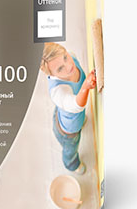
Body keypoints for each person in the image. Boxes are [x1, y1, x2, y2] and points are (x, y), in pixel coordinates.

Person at [40, 42, 96, 175]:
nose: (69, 65)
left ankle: (79, 121)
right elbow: (76, 106)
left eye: (65, 57)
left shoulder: (71, 57)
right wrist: (86, 86)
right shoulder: (57, 91)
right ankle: (71, 164)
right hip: (67, 131)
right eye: (60, 69)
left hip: (65, 112)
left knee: (73, 116)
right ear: (52, 74)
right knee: (71, 149)